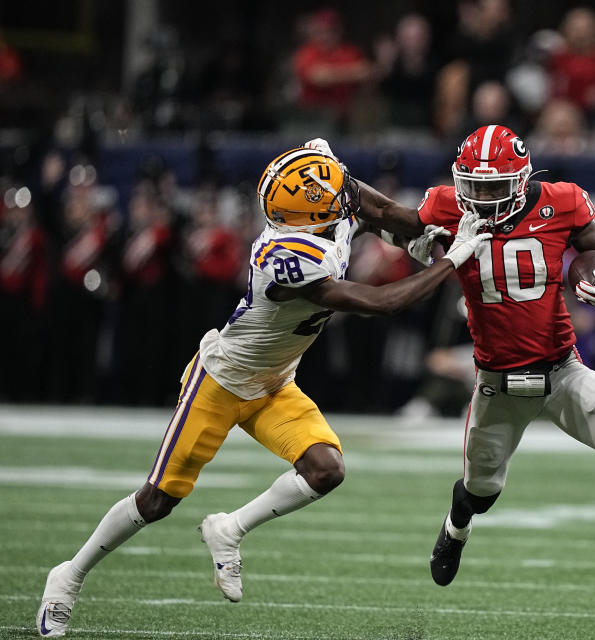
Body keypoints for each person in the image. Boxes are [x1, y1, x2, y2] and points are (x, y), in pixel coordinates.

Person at [35, 147, 492, 637]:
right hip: (223, 380)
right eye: (336, 196)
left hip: (276, 382)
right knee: (157, 500)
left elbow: (378, 209)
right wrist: (452, 260)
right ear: (311, 213)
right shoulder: (283, 259)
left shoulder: (317, 208)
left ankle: (229, 528)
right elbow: (379, 302)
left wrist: (420, 234)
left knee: (325, 468)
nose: (346, 196)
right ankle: (68, 576)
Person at [329, 125, 595, 613]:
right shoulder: (447, 205)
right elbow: (389, 217)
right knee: (479, 494)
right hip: (496, 383)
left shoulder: (560, 202)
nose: (480, 198)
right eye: (472, 186)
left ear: (522, 180)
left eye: (492, 187)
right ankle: (456, 524)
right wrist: (339, 180)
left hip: (562, 368)